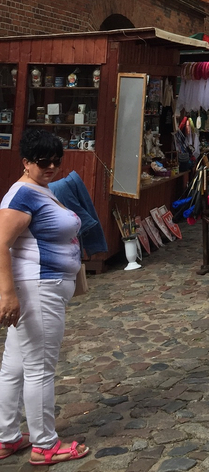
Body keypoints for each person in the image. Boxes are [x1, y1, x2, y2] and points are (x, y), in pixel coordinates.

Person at [0, 130, 90, 464]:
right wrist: (7, 294)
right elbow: (1, 242)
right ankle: (44, 444)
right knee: (39, 367)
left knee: (15, 366)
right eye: (43, 162)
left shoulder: (37, 189)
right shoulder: (22, 195)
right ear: (25, 162)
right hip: (38, 289)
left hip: (40, 287)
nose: (51, 166)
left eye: (56, 160)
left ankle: (7, 436)